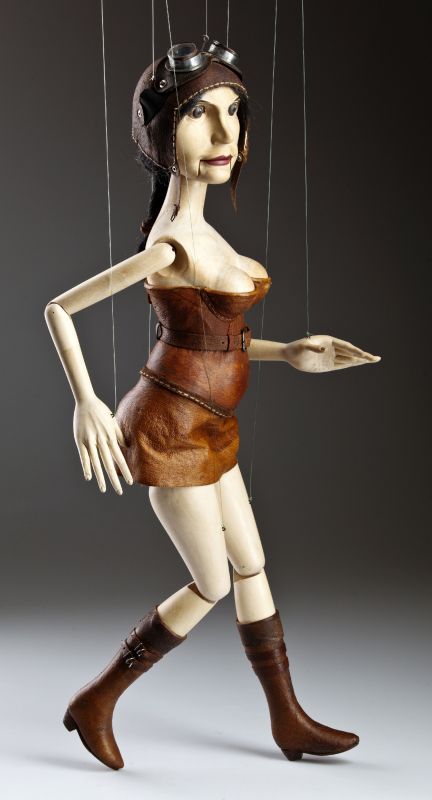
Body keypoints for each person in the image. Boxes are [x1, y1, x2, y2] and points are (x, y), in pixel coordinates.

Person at [44, 39, 380, 770]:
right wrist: (88, 402)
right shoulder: (170, 247)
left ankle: (288, 718)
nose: (226, 133)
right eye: (201, 114)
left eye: (234, 112)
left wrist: (290, 352)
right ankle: (97, 700)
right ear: (162, 132)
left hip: (213, 426)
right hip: (169, 430)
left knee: (253, 565)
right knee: (215, 581)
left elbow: (219, 342)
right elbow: (60, 308)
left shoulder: (208, 236)